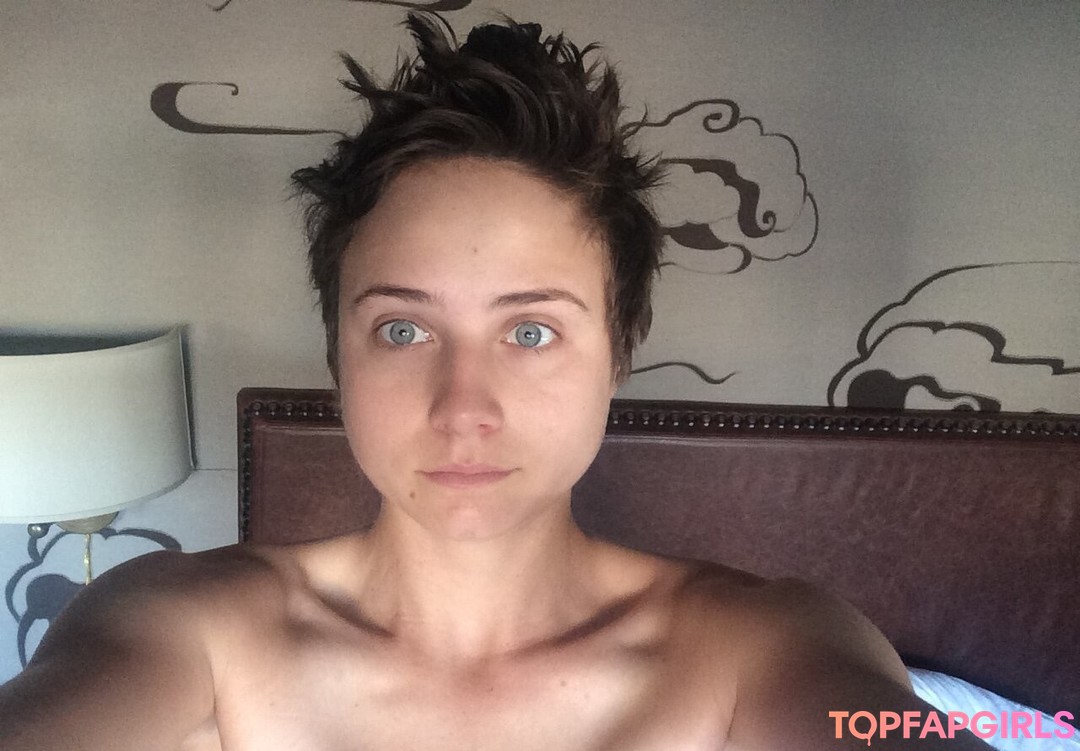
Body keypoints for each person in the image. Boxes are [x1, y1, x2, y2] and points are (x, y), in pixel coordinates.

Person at [0, 14, 993, 750]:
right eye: (402, 328)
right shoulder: (185, 628)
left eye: (530, 330)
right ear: (338, 357)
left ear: (620, 348)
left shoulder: (765, 645)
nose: (462, 407)